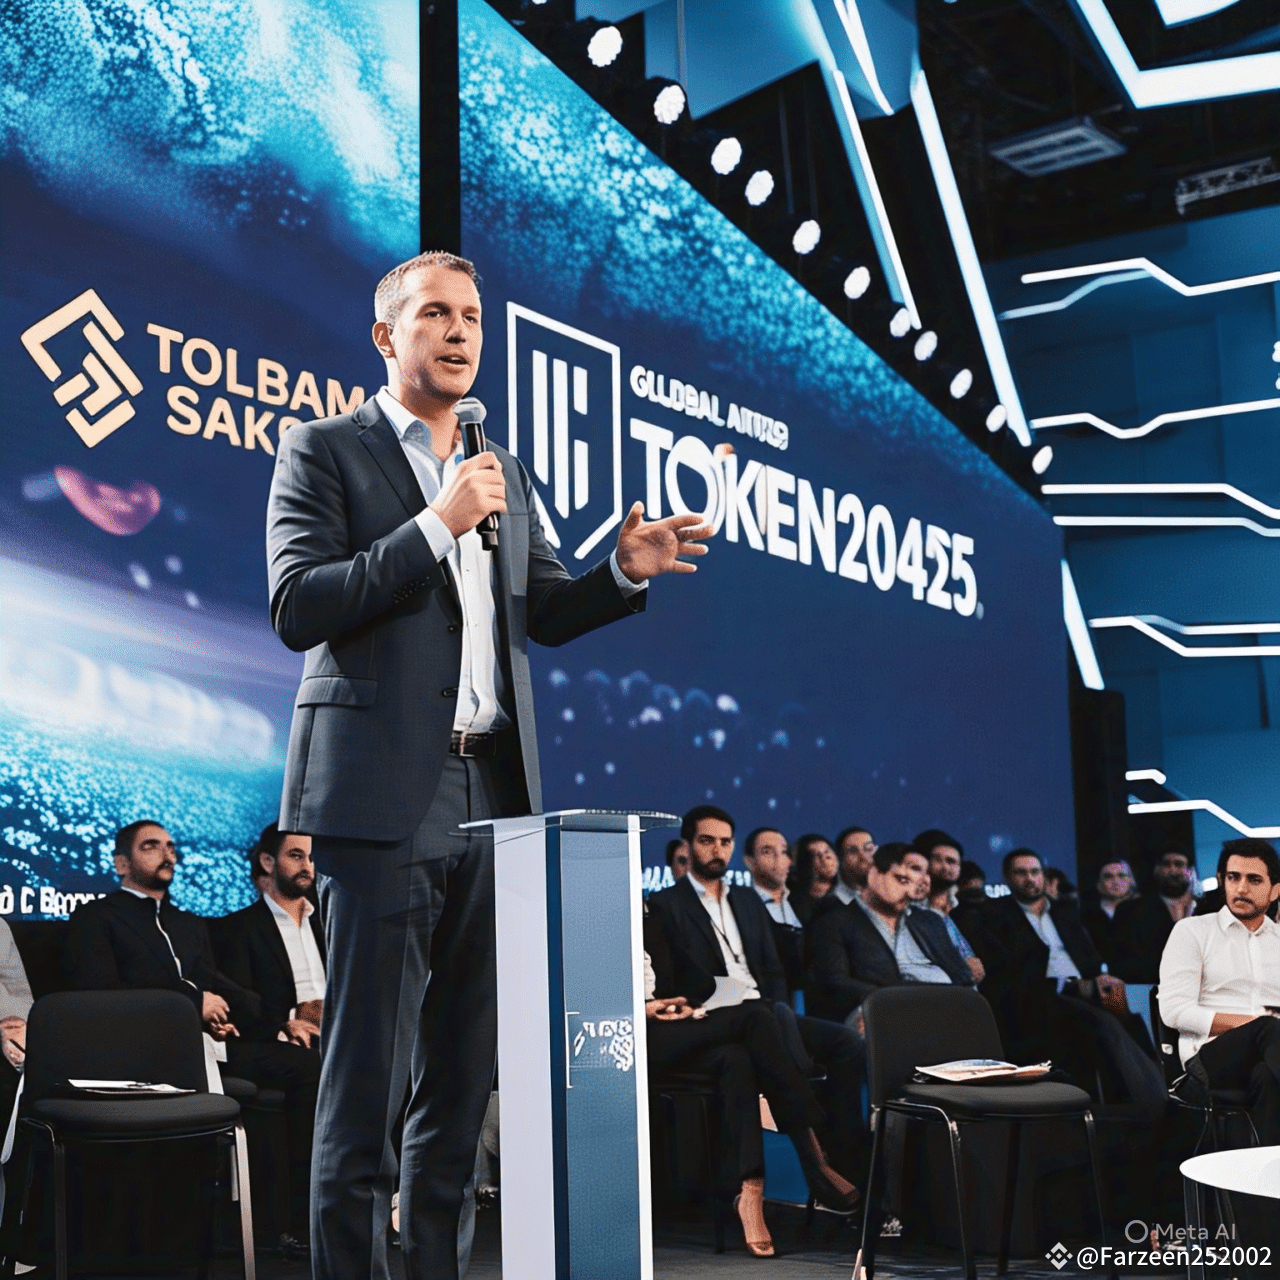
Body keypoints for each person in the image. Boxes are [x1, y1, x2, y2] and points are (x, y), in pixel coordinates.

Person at [265, 249, 712, 1280]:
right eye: (436, 313)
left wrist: (618, 574)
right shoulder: (322, 448)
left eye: (470, 315)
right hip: (379, 796)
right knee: (369, 1084)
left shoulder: (497, 463)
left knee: (461, 1087)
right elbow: (299, 604)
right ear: (387, 336)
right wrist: (437, 524)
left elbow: (540, 609)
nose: (460, 331)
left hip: (496, 797)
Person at [647, 806, 867, 1181]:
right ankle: (816, 1155)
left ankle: (850, 1162)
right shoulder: (666, 904)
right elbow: (671, 983)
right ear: (688, 844)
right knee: (762, 1025)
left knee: (847, 1043)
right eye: (706, 841)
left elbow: (771, 969)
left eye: (725, 842)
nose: (717, 850)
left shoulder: (748, 900)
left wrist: (778, 1006)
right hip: (715, 1016)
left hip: (765, 1010)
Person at [643, 906, 856, 1258]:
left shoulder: (653, 920)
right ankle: (813, 1157)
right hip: (633, 1036)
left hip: (676, 1028)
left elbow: (695, 980)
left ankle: (751, 1190)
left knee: (737, 1058)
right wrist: (642, 1008)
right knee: (758, 1017)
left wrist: (689, 1002)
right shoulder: (594, 929)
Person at [972, 849, 1165, 1104]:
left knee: (1126, 1014)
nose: (1029, 878)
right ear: (1007, 877)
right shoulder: (994, 914)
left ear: (1043, 875)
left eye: (1035, 872)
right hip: (1041, 994)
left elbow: (1090, 958)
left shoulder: (1064, 913)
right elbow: (1009, 969)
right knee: (1102, 1023)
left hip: (1086, 987)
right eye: (1021, 873)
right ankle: (1134, 1102)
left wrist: (1099, 979)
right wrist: (1071, 984)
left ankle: (1155, 1096)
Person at [215, 825, 325, 1258]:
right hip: (276, 1042)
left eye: (311, 857)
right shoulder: (237, 929)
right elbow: (242, 1004)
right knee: (312, 1071)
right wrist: (290, 1020)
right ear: (267, 861)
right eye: (296, 856)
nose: (307, 866)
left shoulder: (330, 923)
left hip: (337, 1035)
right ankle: (303, 1222)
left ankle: (391, 1206)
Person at [67, 821, 250, 1049]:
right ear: (122, 863)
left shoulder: (190, 924)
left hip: (199, 1041)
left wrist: (219, 1020)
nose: (166, 855)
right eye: (150, 847)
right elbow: (100, 996)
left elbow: (209, 982)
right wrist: (193, 1004)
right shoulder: (95, 917)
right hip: (131, 1043)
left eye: (170, 848)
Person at [1158, 838, 1280, 1145]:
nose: (1241, 888)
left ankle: (1263, 1174)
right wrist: (1254, 1024)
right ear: (1222, 881)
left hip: (1270, 1057)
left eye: (1254, 880)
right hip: (1209, 1058)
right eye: (1233, 877)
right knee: (1269, 1027)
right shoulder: (1192, 931)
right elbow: (1174, 1011)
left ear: (1275, 890)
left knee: (1268, 1078)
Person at [807, 843, 975, 1024]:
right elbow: (834, 981)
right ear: (874, 874)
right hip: (887, 1011)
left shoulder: (930, 921)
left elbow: (961, 974)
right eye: (901, 880)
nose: (908, 891)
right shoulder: (835, 923)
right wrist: (899, 997)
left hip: (948, 1011)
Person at [1111, 851, 1196, 984]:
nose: (1173, 871)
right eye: (1166, 864)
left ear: (1191, 871)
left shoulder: (1209, 910)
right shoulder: (1130, 911)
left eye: (1179, 864)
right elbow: (1125, 963)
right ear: (1157, 870)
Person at [913, 829, 985, 981]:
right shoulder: (908, 910)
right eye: (937, 860)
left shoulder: (965, 910)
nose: (945, 867)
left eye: (951, 861)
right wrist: (961, 966)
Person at [742, 827, 804, 994]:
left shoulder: (802, 905)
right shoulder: (742, 909)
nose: (779, 859)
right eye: (767, 852)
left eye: (784, 852)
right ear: (750, 861)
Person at [1081, 859, 1136, 972]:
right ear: (1099, 884)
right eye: (1108, 877)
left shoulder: (1145, 911)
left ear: (1130, 880)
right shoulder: (1086, 916)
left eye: (1121, 876)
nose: (1116, 882)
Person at [788, 833, 840, 923]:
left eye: (827, 851)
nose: (825, 857)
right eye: (815, 854)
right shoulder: (790, 906)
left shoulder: (849, 897)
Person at [832, 826, 877, 905]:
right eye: (853, 851)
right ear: (840, 860)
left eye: (868, 848)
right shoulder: (831, 902)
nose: (864, 857)